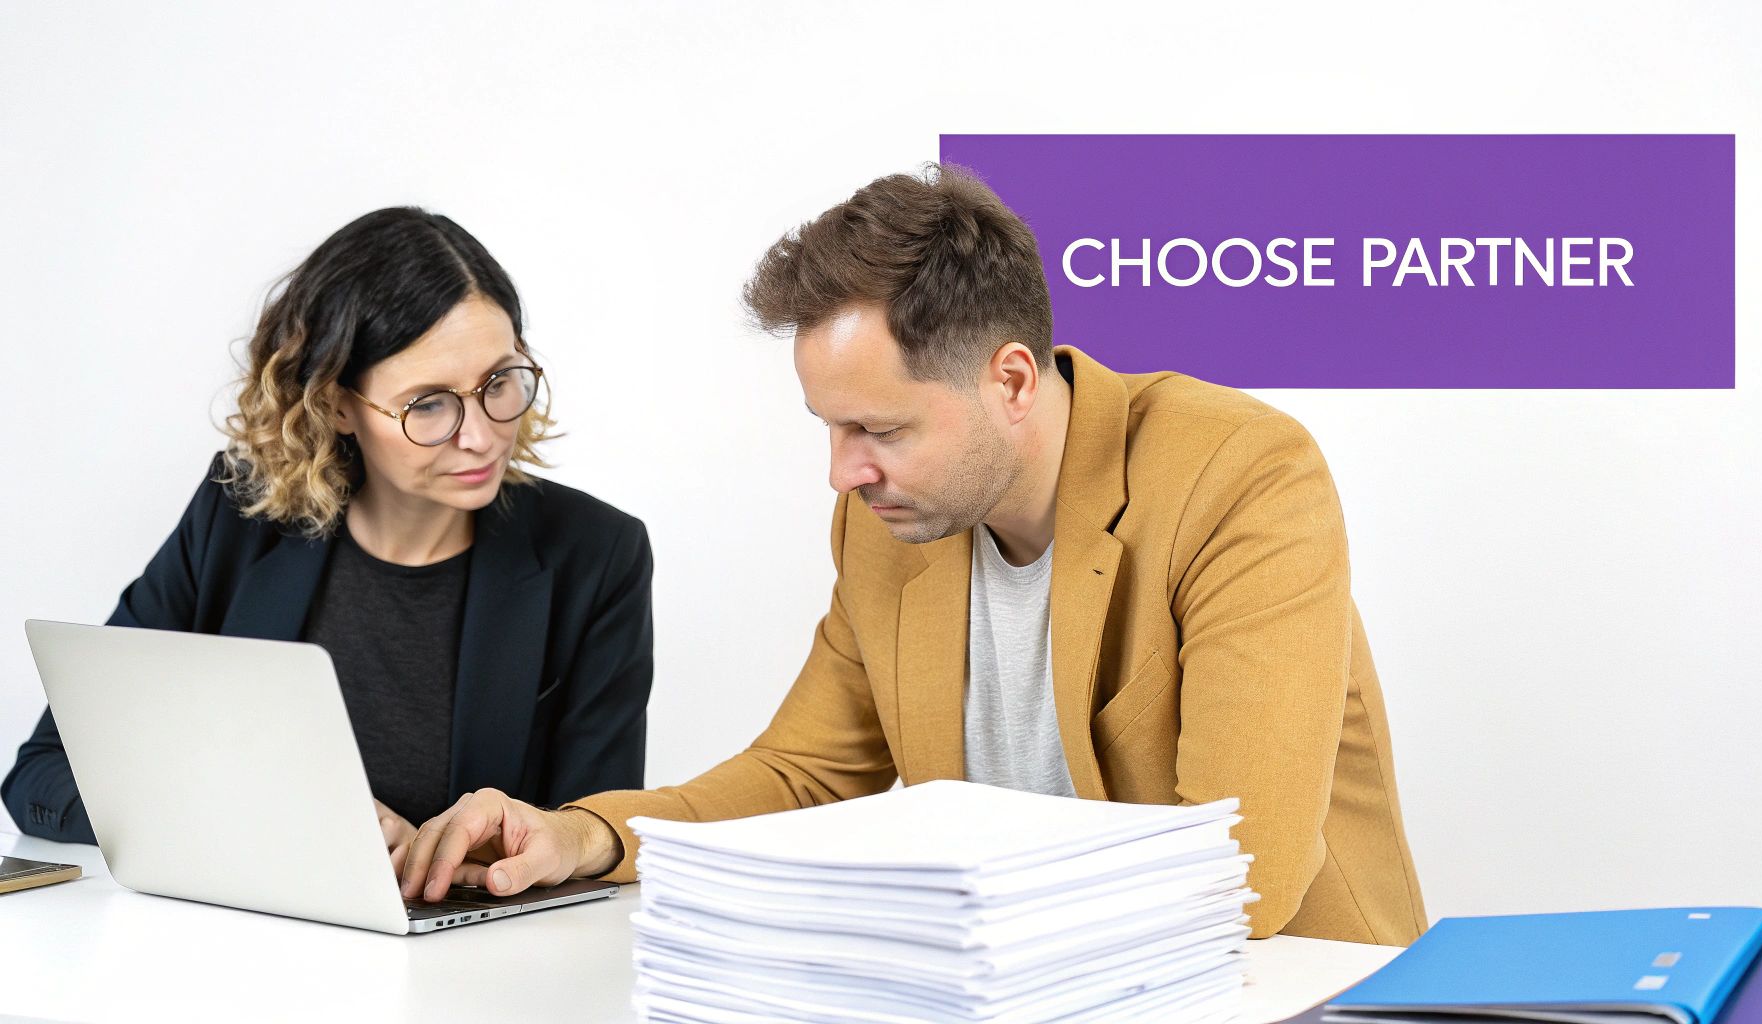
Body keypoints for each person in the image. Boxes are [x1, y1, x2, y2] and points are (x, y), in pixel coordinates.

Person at [400, 166, 1428, 943]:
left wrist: (914, 923)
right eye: (829, 428)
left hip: (1275, 993)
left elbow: (1237, 873)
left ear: (1012, 381)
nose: (843, 473)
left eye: (879, 431)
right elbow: (802, 771)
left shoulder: (1241, 476)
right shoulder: (890, 523)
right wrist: (585, 835)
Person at [3, 208, 655, 876]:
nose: (481, 435)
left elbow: (597, 834)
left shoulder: (597, 556)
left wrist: (491, 852)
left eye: (498, 382)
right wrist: (258, 823)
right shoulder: (238, 515)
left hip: (473, 961)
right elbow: (45, 773)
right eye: (428, 403)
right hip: (242, 945)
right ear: (336, 404)